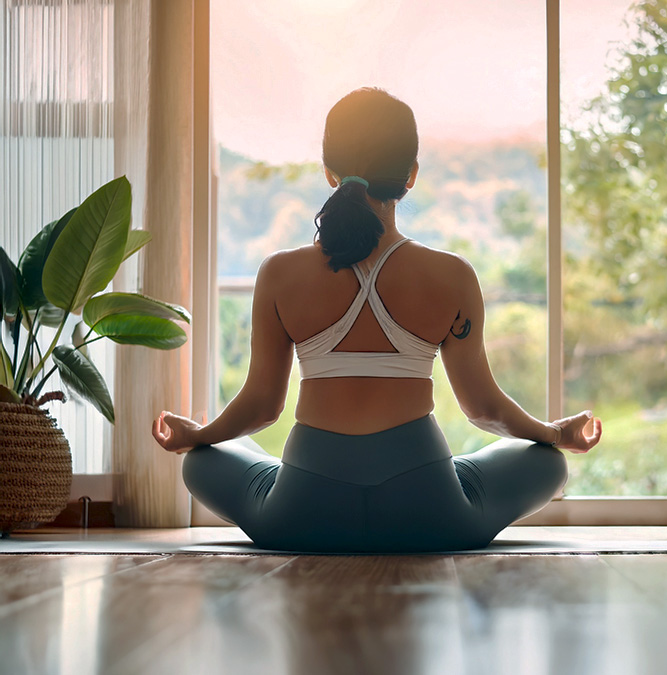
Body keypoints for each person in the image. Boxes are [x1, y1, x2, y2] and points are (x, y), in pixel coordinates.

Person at [150, 87, 601, 553]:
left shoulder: (280, 272)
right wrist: (555, 434)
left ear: (328, 173)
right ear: (410, 176)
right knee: (548, 464)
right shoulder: (452, 274)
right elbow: (483, 409)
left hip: (301, 514)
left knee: (201, 461)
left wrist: (198, 436)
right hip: (431, 511)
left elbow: (263, 407)